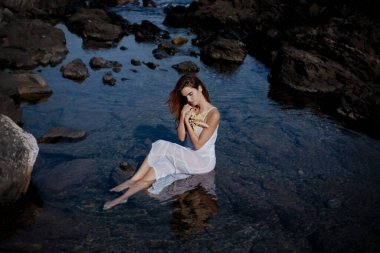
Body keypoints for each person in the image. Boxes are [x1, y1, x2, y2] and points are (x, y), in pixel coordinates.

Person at [103, 74, 220, 210]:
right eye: (186, 97)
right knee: (152, 172)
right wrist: (183, 116)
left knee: (160, 145)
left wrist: (188, 121)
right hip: (187, 156)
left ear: (200, 88)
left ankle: (132, 180)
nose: (189, 99)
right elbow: (182, 138)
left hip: (202, 161)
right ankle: (123, 198)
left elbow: (198, 145)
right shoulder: (190, 109)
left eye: (191, 94)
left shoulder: (214, 114)